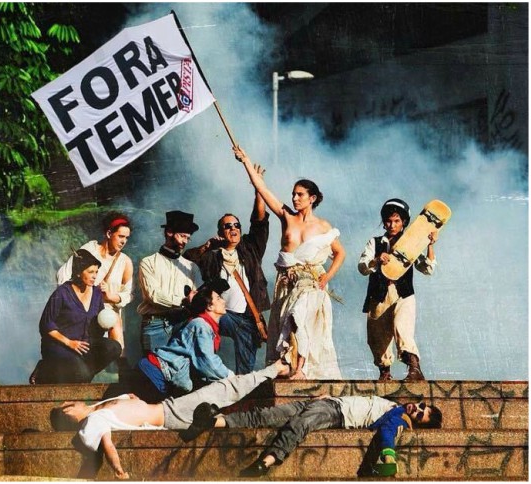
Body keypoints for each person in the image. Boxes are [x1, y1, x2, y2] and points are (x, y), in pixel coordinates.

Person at [50, 358, 292, 480]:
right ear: (68, 413)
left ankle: (206, 422)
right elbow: (108, 445)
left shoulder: (98, 408)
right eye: (67, 404)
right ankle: (275, 369)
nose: (73, 401)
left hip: (168, 408)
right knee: (224, 389)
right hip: (171, 414)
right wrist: (119, 471)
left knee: (227, 404)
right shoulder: (94, 420)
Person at [233, 146, 346, 380]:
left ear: (312, 198)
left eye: (300, 195)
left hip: (311, 283)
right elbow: (263, 189)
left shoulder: (323, 226)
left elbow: (340, 253)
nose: (294, 198)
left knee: (298, 316)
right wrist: (245, 160)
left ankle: (301, 369)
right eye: (293, 194)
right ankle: (291, 369)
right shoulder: (287, 216)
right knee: (285, 325)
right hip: (286, 283)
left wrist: (327, 277)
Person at [185, 395, 442, 478]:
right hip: (325, 402)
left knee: (299, 425)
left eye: (421, 415)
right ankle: (214, 422)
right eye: (422, 406)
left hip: (334, 412)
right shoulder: (396, 406)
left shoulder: (400, 419)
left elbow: (388, 434)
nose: (417, 409)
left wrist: (388, 458)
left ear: (417, 425)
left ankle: (267, 461)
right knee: (266, 415)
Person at [185, 164, 270, 374]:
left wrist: (258, 189)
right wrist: (207, 246)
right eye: (228, 226)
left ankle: (242, 384)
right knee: (197, 319)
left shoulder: (250, 248)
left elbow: (259, 221)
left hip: (248, 316)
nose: (233, 228)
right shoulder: (213, 256)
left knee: (246, 366)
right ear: (220, 232)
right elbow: (187, 258)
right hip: (222, 315)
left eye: (236, 225)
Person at [358, 198, 438, 382]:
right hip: (379, 295)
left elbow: (427, 269)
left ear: (404, 222)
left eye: (396, 221)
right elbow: (362, 267)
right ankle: (385, 373)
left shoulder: (411, 242)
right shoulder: (375, 242)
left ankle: (415, 370)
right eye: (388, 221)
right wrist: (377, 260)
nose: (392, 225)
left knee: (403, 328)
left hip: (403, 294)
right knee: (377, 336)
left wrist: (430, 246)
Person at [134, 279, 235, 400]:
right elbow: (207, 362)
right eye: (218, 298)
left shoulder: (205, 326)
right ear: (209, 306)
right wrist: (230, 376)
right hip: (154, 374)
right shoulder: (201, 325)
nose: (223, 301)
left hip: (158, 375)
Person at [33, 249, 122, 384]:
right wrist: (70, 343)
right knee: (82, 375)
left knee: (114, 347)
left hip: (83, 345)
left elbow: (97, 327)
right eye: (90, 272)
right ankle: (44, 369)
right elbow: (46, 325)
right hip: (60, 345)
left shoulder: (97, 294)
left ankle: (82, 372)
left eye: (96, 272)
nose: (95, 276)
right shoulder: (62, 293)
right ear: (79, 273)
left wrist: (106, 321)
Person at [56, 212, 133, 360]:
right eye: (120, 236)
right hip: (81, 311)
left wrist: (111, 296)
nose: (124, 241)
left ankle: (122, 365)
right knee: (79, 358)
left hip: (106, 315)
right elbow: (62, 275)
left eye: (127, 238)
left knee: (114, 320)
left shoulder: (125, 262)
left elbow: (127, 294)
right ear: (109, 233)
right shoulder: (90, 250)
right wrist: (85, 292)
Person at [137, 210, 203, 354]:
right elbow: (153, 296)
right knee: (154, 366)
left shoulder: (191, 267)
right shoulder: (148, 262)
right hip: (155, 324)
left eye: (188, 238)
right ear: (169, 232)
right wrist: (184, 300)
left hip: (183, 323)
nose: (185, 241)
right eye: (182, 236)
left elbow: (198, 296)